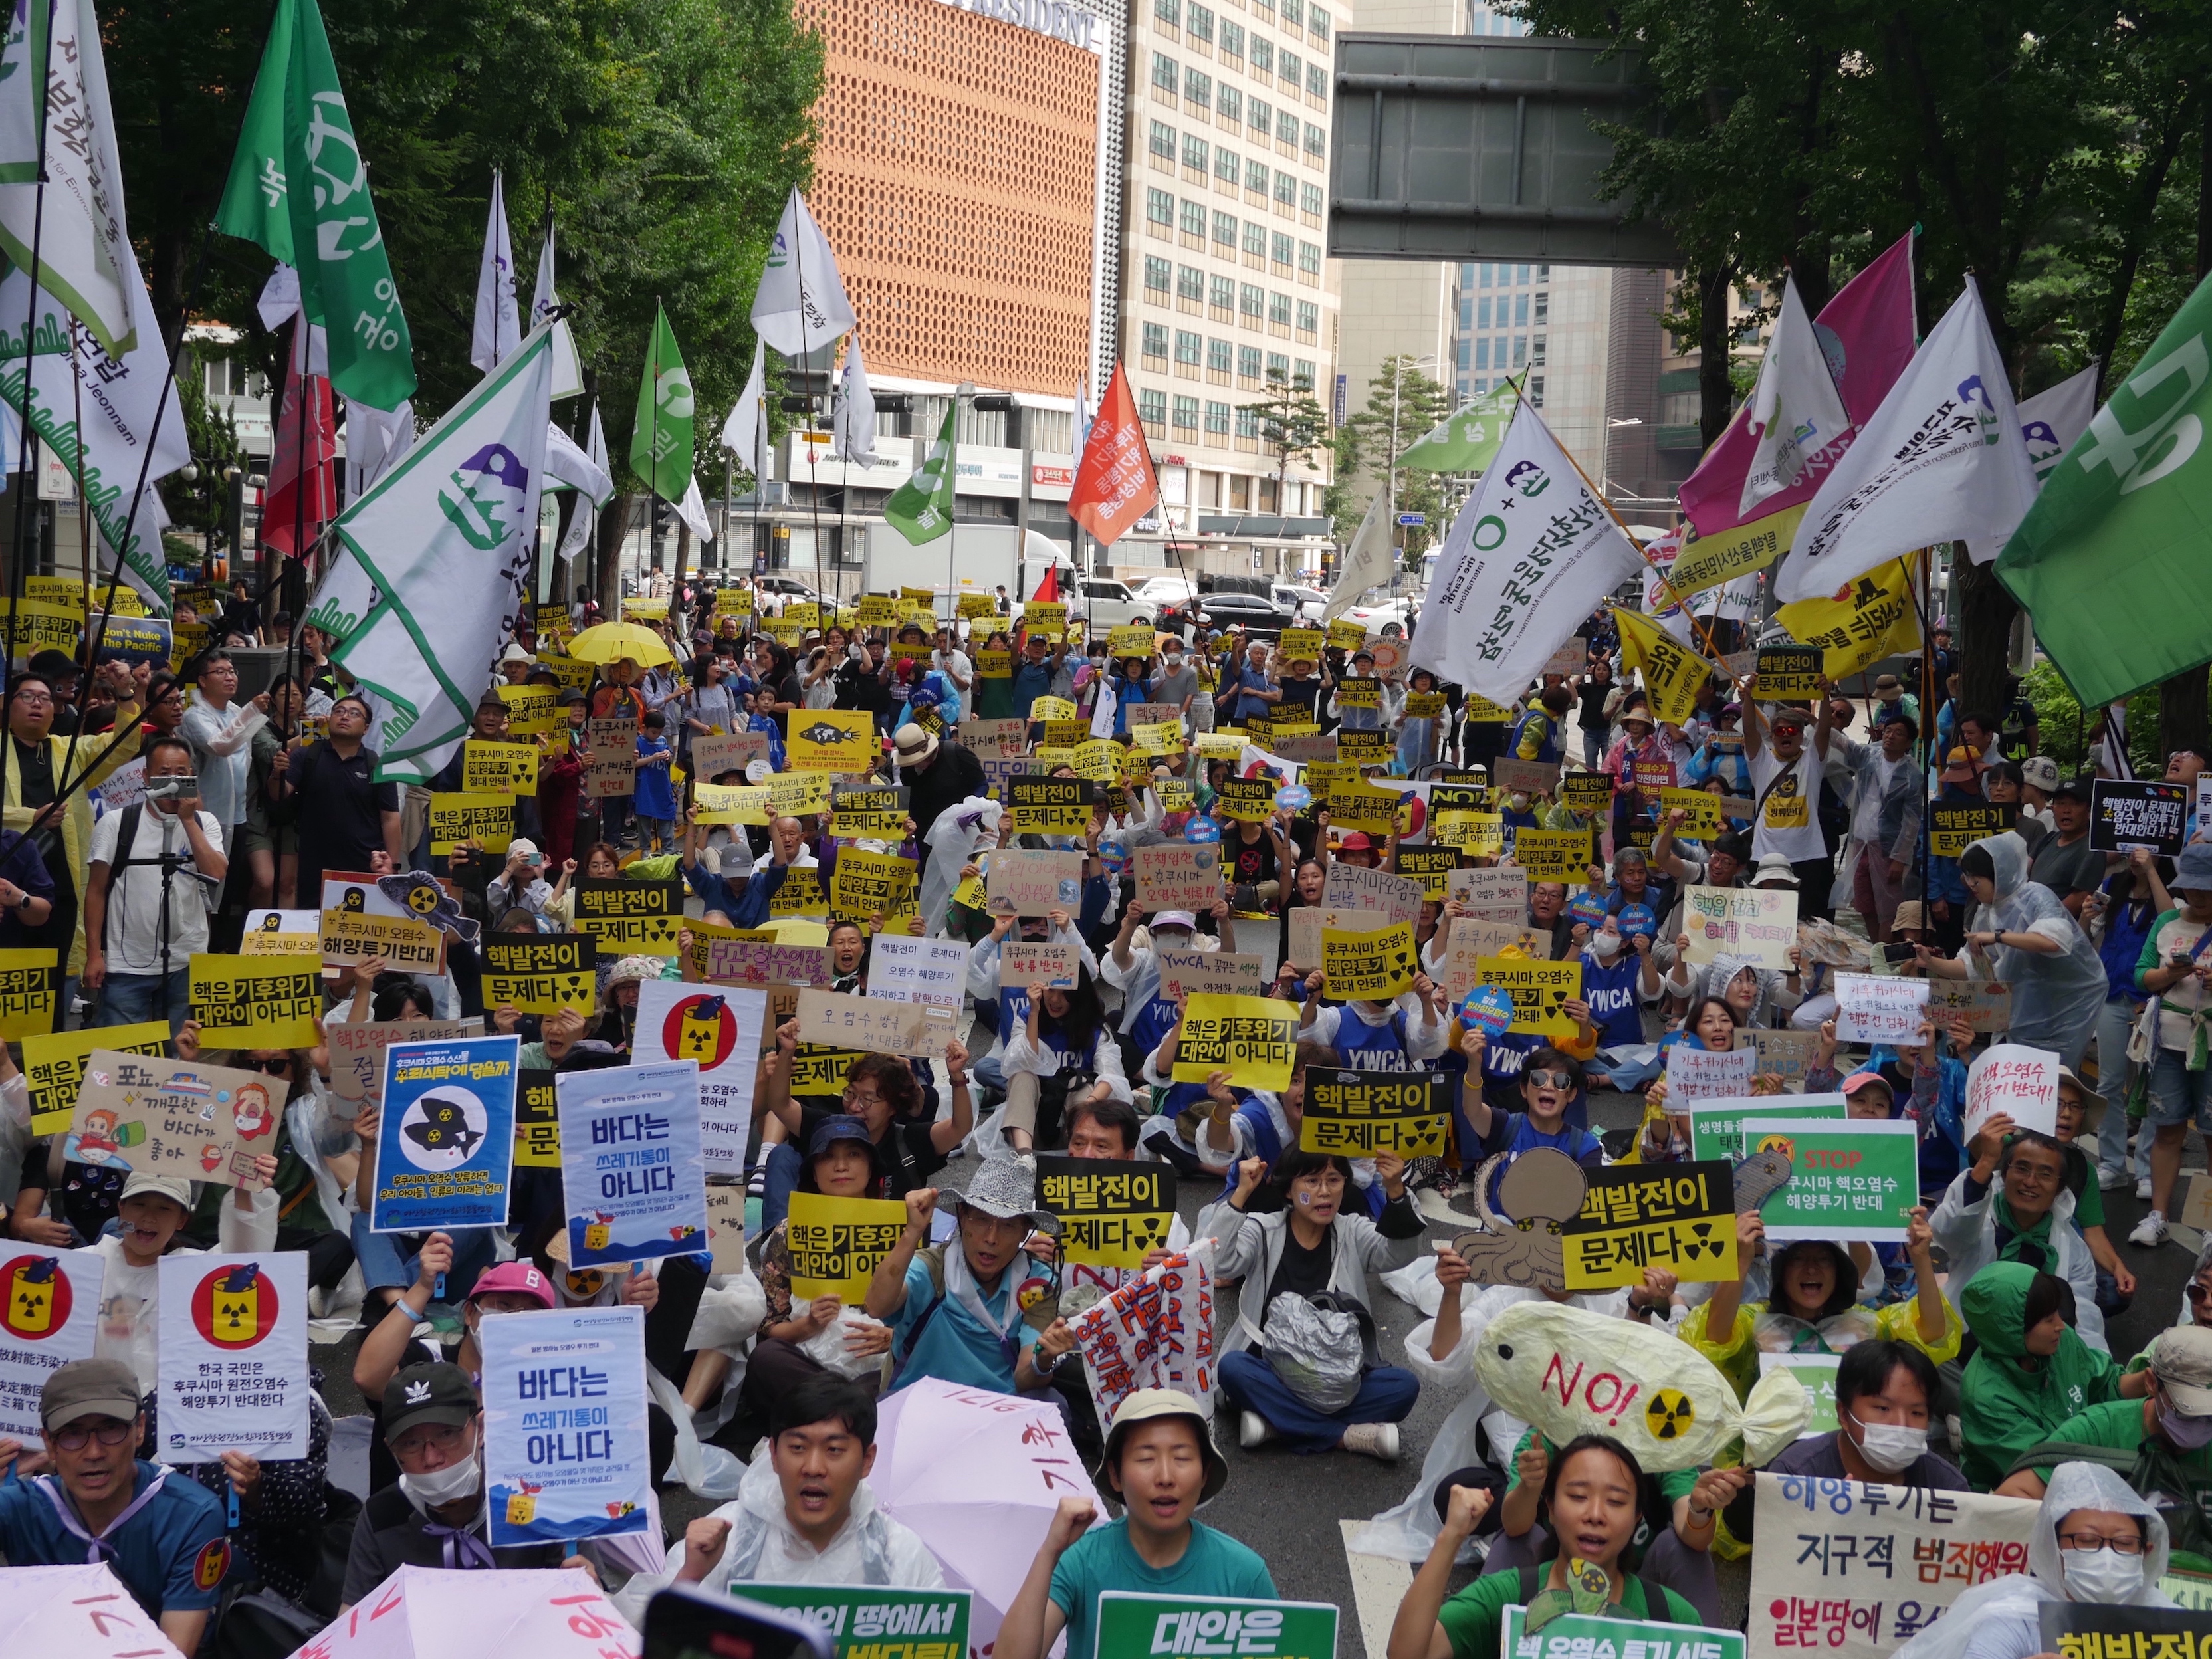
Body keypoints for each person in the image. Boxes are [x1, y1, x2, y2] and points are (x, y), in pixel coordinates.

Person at [611, 1375, 941, 1623]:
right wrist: (691, 1576)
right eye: (797, 1447)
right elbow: (642, 1636)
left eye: (834, 1450)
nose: (813, 1467)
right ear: (773, 1454)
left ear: (867, 1460)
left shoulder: (899, 1554)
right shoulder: (727, 1537)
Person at [997, 1390, 1274, 1659]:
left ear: (1204, 1474)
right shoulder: (1082, 1561)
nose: (1165, 1477)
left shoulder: (1244, 1575)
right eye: (1146, 1458)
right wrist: (1049, 1553)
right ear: (1116, 1475)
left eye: (1182, 1458)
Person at [1390, 1436, 1702, 1659]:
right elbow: (1406, 1654)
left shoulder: (1672, 1616)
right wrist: (1451, 1537)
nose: (1595, 1515)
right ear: (1550, 1508)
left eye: (1616, 1502)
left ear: (1637, 1519)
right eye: (1578, 1496)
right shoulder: (1508, 1597)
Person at [1202, 1148, 1425, 1458]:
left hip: (1340, 1377)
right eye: (1311, 1181)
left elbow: (1399, 1254)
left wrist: (1397, 1191)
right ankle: (1343, 1436)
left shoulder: (1352, 1230)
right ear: (1289, 1191)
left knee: (1404, 1386)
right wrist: (1241, 1193)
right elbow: (1218, 1263)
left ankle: (1278, 1424)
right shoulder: (1263, 1229)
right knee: (1232, 1368)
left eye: (1334, 1180)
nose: (1324, 1192)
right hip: (1270, 1367)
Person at [0, 1358, 230, 1654]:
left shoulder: (191, 1514)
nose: (94, 1452)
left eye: (111, 1429)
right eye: (73, 1434)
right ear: (49, 1444)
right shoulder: (21, 1507)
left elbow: (174, 1651)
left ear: (140, 1429)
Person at [341, 1362, 596, 1606]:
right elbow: (352, 1621)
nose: (432, 1459)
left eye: (447, 1434)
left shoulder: (545, 1501)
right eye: (411, 1444)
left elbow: (596, 1609)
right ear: (392, 1451)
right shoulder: (382, 1517)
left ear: (481, 1429)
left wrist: (590, 1591)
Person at [861, 1152, 1076, 1396]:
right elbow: (876, 1307)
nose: (991, 1238)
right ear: (962, 1217)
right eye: (980, 1219)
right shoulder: (934, 1268)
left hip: (996, 1408)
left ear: (1025, 1231)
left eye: (1007, 1225)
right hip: (918, 1400)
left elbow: (1025, 1377)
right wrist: (912, 1232)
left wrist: (1044, 1359)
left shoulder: (1038, 1284)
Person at [1918, 832, 2107, 1070]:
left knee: (2053, 1083)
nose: (1972, 886)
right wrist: (1931, 963)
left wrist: (1998, 936)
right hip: (2017, 1014)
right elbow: (1973, 966)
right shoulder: (1987, 910)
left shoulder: (2036, 896)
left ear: (2000, 874)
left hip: (2062, 1010)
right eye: (1968, 880)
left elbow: (2053, 941)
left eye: (1977, 880)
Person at [1959, 1262, 2147, 1492]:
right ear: (2012, 1328)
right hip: (2020, 1495)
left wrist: (2150, 1380)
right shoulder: (1985, 1397)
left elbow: (2105, 1383)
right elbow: (2047, 1465)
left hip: (2082, 1467)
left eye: (2057, 1312)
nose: (2061, 1325)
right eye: (2048, 1320)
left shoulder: (2059, 1342)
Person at [83, 735, 227, 1032]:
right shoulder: (116, 822)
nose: (173, 781)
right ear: (146, 776)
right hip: (127, 961)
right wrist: (94, 955)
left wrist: (188, 819)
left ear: (193, 777)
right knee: (124, 1052)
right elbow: (96, 891)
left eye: (182, 774)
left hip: (188, 958)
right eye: (163, 774)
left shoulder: (205, 822)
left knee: (180, 1049)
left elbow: (216, 872)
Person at [1933, 1115, 2107, 1352]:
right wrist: (1987, 1159)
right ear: (2004, 1175)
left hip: (2035, 1359)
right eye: (2022, 1169)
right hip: (1966, 1346)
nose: (2030, 1181)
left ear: (2060, 1188)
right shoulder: (1980, 1220)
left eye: (2045, 1174)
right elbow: (1949, 1233)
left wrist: (2095, 1374)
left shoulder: (2073, 1249)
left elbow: (2083, 1319)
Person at [2128, 841, 2212, 1248]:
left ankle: (2211, 1226)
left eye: (2207, 888)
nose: (2198, 895)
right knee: (2167, 1130)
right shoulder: (2166, 923)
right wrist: (2170, 976)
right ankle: (2157, 1215)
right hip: (2168, 1041)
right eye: (2193, 887)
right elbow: (2141, 975)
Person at [1768, 1339, 1967, 1486]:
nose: (1901, 1424)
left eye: (1916, 1413)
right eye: (1883, 1408)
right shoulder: (1796, 1476)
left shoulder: (1948, 1487)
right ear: (1844, 1415)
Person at [279, 693, 403, 906]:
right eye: (339, 711)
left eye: (354, 714)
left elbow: (390, 819)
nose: (345, 716)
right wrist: (277, 773)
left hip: (364, 863)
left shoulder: (377, 766)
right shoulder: (307, 756)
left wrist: (393, 866)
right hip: (314, 864)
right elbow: (279, 794)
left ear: (366, 728)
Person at [1741, 695, 1837, 915]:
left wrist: (1824, 695)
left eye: (1792, 731)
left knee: (1809, 918)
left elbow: (1823, 731)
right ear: (1772, 737)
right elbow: (1749, 729)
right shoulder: (1762, 760)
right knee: (1766, 917)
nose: (1786, 734)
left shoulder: (1812, 760)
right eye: (1780, 731)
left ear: (1801, 736)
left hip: (1808, 856)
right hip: (1765, 856)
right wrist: (1748, 695)